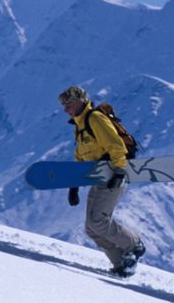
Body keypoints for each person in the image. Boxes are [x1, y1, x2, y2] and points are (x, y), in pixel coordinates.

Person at [59, 85, 145, 277]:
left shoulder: (95, 119)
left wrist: (120, 171)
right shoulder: (80, 126)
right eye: (64, 105)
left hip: (115, 173)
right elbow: (81, 156)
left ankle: (134, 245)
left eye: (69, 103)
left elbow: (116, 146)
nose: (66, 109)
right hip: (101, 177)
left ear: (80, 100)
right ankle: (121, 263)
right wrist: (74, 184)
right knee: (91, 228)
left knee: (98, 221)